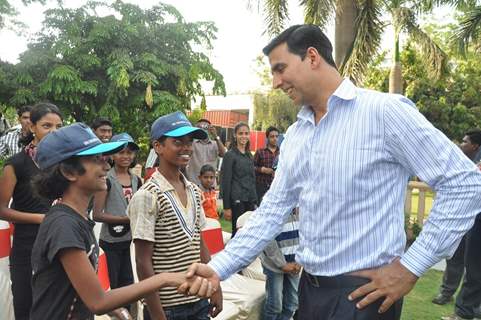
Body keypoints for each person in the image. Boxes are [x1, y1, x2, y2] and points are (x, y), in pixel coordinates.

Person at [179, 24, 481, 320]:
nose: (275, 82)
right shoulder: (297, 135)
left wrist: (411, 266)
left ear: (312, 57)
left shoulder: (384, 113)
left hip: (364, 297)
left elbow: (465, 184)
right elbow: (271, 213)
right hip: (310, 292)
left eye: (280, 68)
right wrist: (218, 268)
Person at [29, 122, 213, 320]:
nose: (106, 165)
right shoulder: (63, 225)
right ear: (69, 172)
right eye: (96, 160)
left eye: (105, 159)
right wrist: (166, 278)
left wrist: (115, 307)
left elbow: (79, 289)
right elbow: (98, 302)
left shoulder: (77, 218)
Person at [127, 111, 222, 320]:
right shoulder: (147, 195)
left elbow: (200, 244)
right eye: (178, 142)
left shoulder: (194, 191)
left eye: (189, 142)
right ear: (158, 146)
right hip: (167, 306)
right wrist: (158, 314)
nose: (186, 147)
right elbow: (143, 263)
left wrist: (215, 287)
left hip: (198, 299)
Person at [0, 102, 62, 320]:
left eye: (58, 127)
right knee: (26, 307)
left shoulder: (65, 164)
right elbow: (2, 210)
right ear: (32, 127)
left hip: (59, 245)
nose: (53, 132)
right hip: (27, 247)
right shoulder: (16, 164)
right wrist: (39, 218)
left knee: (58, 307)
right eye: (47, 126)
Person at [93, 132, 142, 319]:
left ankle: (127, 315)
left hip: (130, 240)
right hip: (111, 241)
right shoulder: (106, 179)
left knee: (128, 283)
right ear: (112, 155)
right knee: (113, 285)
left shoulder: (136, 179)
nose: (126, 156)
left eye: (130, 152)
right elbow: (97, 214)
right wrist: (126, 219)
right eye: (121, 152)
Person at [433, 130, 481, 306]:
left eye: (465, 141)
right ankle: (447, 293)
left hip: (476, 220)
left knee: (474, 263)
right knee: (454, 256)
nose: (461, 144)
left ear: (475, 145)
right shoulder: (462, 161)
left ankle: (471, 304)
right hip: (461, 216)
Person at [260, 208, 301, 320]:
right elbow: (268, 240)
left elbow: (305, 233)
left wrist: (299, 259)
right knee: (275, 306)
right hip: (274, 265)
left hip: (294, 263)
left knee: (293, 302)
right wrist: (282, 264)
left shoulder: (301, 205)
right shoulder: (272, 207)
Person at [220, 121, 257, 237]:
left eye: (246, 133)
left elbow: (252, 179)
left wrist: (255, 199)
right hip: (237, 200)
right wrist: (226, 207)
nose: (244, 136)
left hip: (250, 199)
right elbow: (225, 181)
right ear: (235, 135)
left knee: (249, 233)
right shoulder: (230, 155)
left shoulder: (249, 156)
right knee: (238, 234)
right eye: (241, 133)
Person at [186, 118, 226, 187]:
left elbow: (224, 155)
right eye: (200, 127)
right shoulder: (192, 144)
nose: (203, 129)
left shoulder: (215, 144)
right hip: (194, 184)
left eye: (206, 127)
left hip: (210, 185)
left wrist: (216, 136)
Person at [254, 126, 280, 203]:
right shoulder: (260, 152)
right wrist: (262, 169)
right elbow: (251, 167)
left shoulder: (282, 152)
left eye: (276, 136)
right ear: (267, 138)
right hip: (262, 187)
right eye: (272, 136)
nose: (275, 138)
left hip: (277, 187)